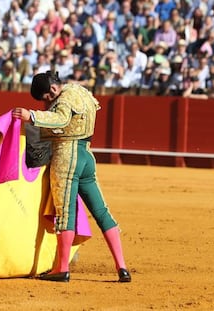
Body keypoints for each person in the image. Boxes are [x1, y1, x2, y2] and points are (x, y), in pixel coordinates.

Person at [12, 71, 131, 283]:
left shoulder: (64, 99)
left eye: (46, 99)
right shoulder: (81, 92)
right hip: (86, 155)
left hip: (67, 156)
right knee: (102, 211)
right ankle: (122, 267)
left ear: (53, 89)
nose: (45, 104)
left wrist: (32, 116)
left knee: (65, 213)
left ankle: (62, 268)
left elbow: (62, 118)